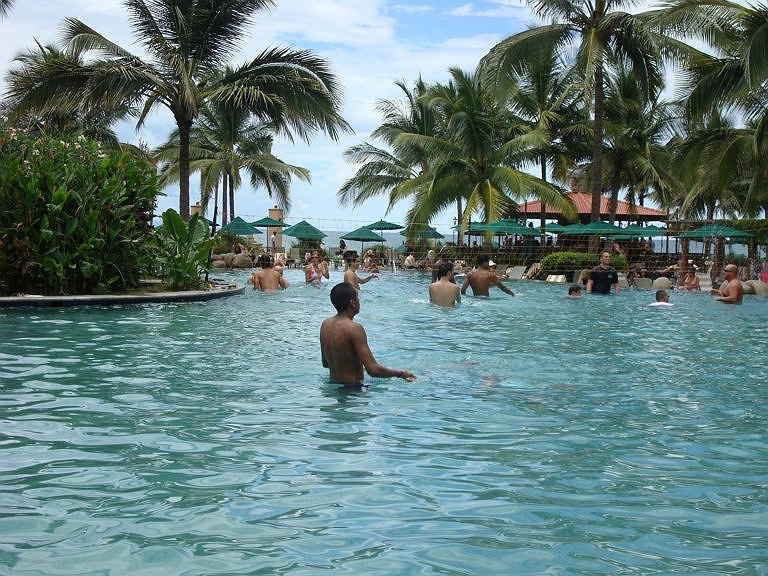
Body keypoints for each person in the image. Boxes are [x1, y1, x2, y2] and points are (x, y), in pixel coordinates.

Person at [320, 282, 416, 387]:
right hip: (353, 390)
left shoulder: (325, 324)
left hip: (333, 385)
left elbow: (326, 363)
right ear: (352, 302)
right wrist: (401, 374)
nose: (359, 301)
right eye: (357, 298)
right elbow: (373, 370)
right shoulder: (354, 328)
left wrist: (357, 366)